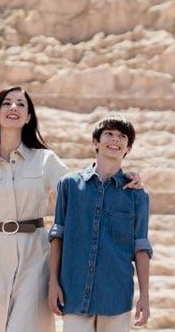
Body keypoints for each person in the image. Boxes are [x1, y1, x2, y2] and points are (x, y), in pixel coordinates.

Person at [0, 88, 142, 332]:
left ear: (29, 116)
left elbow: (83, 188)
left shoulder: (45, 160)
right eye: (7, 103)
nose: (13, 108)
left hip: (35, 256)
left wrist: (122, 174)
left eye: (21, 104)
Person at [48, 116, 152, 332]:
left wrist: (145, 296)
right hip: (73, 292)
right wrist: (53, 283)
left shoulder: (137, 195)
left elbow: (141, 247)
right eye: (109, 134)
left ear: (128, 148)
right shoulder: (69, 186)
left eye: (122, 136)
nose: (115, 139)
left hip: (116, 296)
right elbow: (58, 236)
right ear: (96, 142)